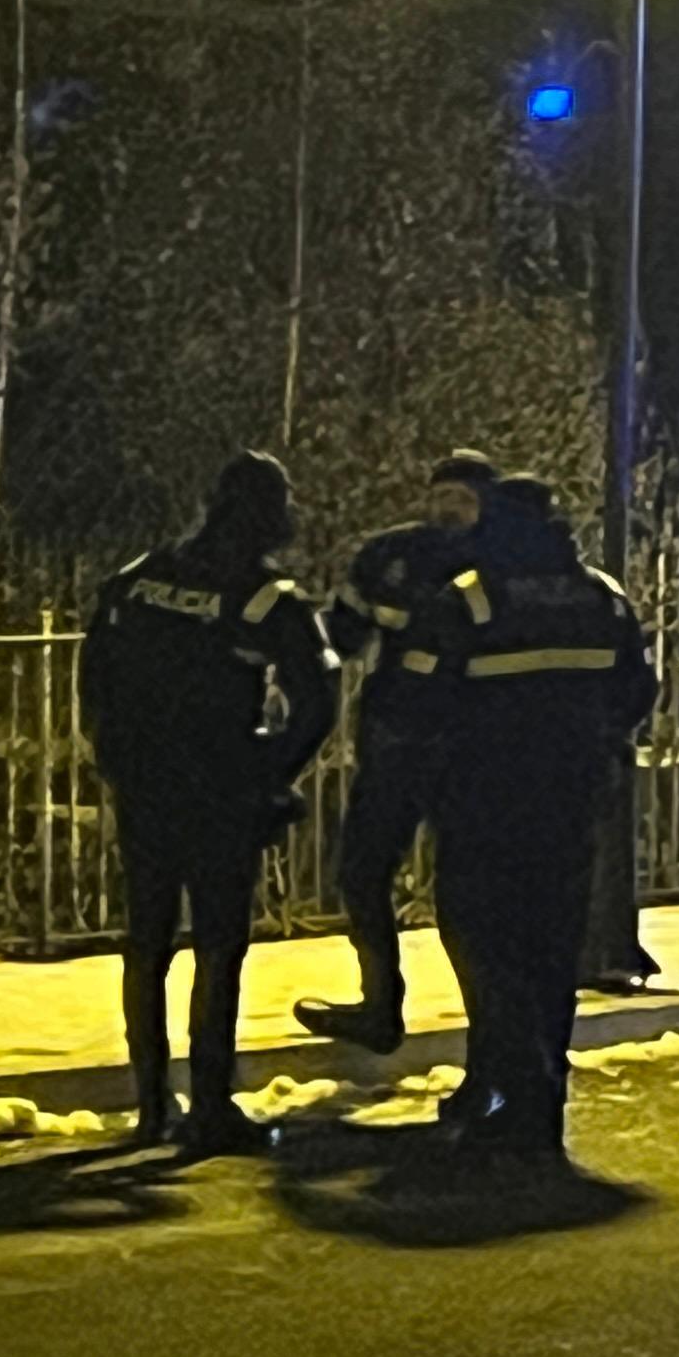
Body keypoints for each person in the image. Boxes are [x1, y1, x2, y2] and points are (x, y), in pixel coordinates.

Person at [81, 452, 340, 1152]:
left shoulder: (144, 577)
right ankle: (212, 1104)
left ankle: (151, 1104)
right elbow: (319, 699)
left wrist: (111, 752)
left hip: (145, 788)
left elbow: (94, 666)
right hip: (222, 792)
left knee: (149, 942)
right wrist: (272, 769)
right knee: (219, 945)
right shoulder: (266, 598)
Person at [423, 475, 653, 1158]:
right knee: (552, 952)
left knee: (483, 942)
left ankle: (508, 1081)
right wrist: (593, 744)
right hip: (570, 802)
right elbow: (638, 687)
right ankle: (540, 1096)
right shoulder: (601, 597)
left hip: (484, 805)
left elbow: (423, 700)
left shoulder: (471, 598)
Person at [293, 447, 496, 1054]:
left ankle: (488, 1031)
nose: (447, 510)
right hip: (395, 741)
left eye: (461, 499)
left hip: (470, 749)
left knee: (464, 891)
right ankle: (379, 1004)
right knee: (361, 871)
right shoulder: (393, 555)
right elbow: (347, 635)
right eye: (440, 497)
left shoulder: (504, 563)